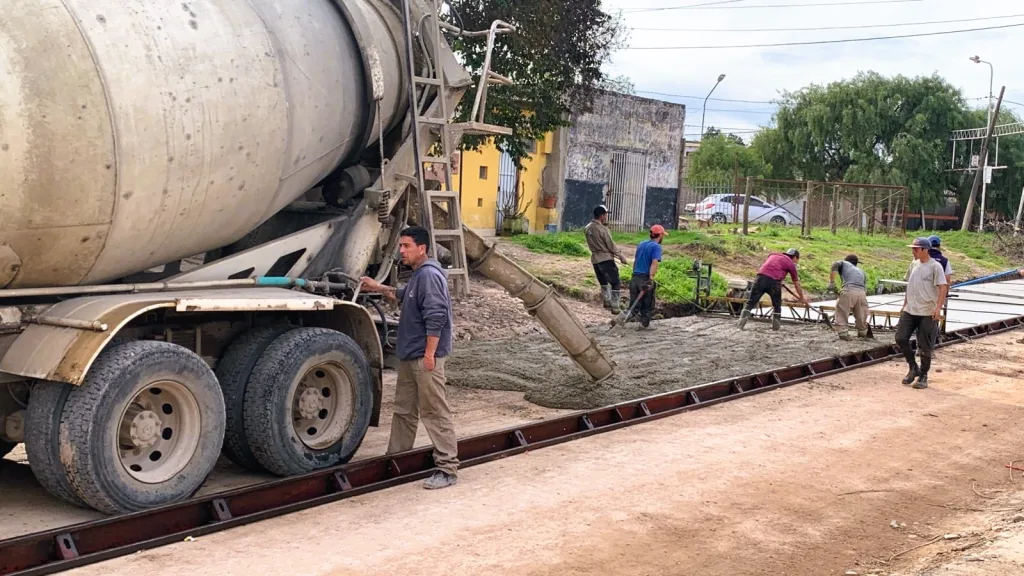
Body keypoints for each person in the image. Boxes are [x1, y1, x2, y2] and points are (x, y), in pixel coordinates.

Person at [360, 226, 459, 490]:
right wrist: (375, 286)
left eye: (406, 246)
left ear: (422, 248)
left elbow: (437, 316)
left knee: (434, 411)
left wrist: (429, 355)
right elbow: (400, 295)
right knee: (404, 411)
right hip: (410, 356)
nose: (401, 251)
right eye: (401, 246)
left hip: (425, 358)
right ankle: (397, 459)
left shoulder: (429, 276)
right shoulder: (418, 276)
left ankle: (447, 469)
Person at [894, 237, 948, 390]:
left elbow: (943, 287)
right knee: (900, 337)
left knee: (924, 345)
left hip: (927, 311)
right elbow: (910, 285)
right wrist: (905, 304)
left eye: (916, 249)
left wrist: (938, 308)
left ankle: (923, 375)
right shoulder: (913, 264)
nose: (913, 251)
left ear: (925, 250)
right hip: (911, 309)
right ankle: (913, 367)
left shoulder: (935, 267)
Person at [738, 248, 809, 331]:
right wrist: (801, 298)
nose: (796, 262)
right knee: (777, 305)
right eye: (797, 260)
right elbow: (796, 283)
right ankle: (776, 328)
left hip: (760, 278)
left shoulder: (773, 255)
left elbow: (771, 267)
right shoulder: (791, 264)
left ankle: (740, 325)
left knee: (750, 302)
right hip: (774, 282)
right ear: (795, 257)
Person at [584, 205, 628, 314]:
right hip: (605, 259)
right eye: (605, 215)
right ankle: (615, 307)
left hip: (595, 259)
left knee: (603, 281)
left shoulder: (587, 228)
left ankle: (607, 301)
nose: (606, 217)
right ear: (602, 216)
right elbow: (610, 245)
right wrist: (621, 256)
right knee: (616, 282)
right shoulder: (603, 229)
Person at [627, 224, 666, 330]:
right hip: (645, 278)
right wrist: (651, 278)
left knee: (634, 304)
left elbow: (636, 260)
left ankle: (621, 319)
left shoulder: (641, 244)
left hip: (635, 277)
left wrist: (634, 274)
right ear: (660, 235)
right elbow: (654, 263)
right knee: (648, 303)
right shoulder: (656, 247)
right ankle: (644, 324)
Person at [828, 254, 869, 341]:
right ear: (856, 263)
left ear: (847, 261)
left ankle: (843, 333)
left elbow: (835, 264)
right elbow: (865, 288)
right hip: (862, 294)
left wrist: (831, 282)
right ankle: (862, 332)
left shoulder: (844, 264)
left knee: (842, 311)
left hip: (849, 290)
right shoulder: (862, 272)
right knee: (861, 314)